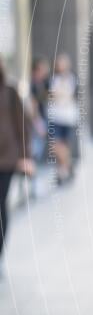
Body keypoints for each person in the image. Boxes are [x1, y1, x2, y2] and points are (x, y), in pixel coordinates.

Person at [0, 59, 33, 261]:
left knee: (1, 203)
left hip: (6, 159)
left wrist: (25, 156)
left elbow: (23, 124)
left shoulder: (10, 92)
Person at [47, 53, 79, 185]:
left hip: (68, 118)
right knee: (56, 145)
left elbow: (69, 96)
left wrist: (60, 96)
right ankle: (68, 166)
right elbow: (52, 96)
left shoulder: (72, 79)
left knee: (64, 145)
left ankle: (61, 172)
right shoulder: (53, 79)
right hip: (55, 117)